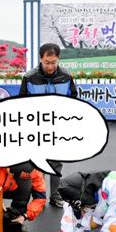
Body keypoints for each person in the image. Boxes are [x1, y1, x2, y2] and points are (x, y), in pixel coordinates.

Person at [19, 43, 77, 208]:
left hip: (58, 126)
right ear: (40, 59)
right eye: (47, 62)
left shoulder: (66, 77)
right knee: (38, 162)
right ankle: (40, 196)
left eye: (54, 62)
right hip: (36, 127)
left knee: (56, 162)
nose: (50, 66)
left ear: (58, 59)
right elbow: (21, 102)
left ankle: (55, 195)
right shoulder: (29, 77)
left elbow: (73, 100)